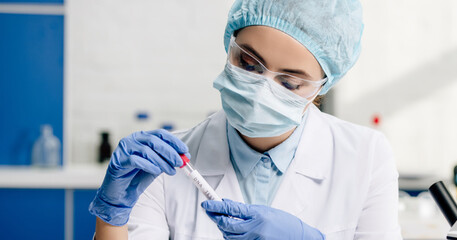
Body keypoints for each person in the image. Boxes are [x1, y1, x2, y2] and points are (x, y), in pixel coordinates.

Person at [88, 0, 402, 239]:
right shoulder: (164, 166)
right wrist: (112, 218)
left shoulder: (366, 155)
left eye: (290, 83)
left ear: (321, 88)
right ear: (230, 46)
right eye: (249, 64)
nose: (261, 91)